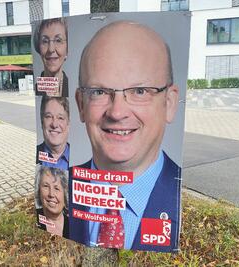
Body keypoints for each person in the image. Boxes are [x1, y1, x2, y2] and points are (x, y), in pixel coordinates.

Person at [70, 21, 181, 251]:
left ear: (169, 104)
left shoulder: (186, 203)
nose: (117, 112)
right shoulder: (59, 188)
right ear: (81, 104)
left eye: (139, 91)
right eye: (99, 92)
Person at [33, 18, 68, 97]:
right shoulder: (35, 91)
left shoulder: (75, 89)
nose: (51, 49)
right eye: (45, 41)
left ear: (67, 50)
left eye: (58, 40)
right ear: (38, 48)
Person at [36, 96, 70, 170]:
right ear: (42, 122)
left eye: (60, 118)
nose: (54, 124)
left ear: (68, 124)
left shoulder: (80, 158)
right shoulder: (34, 155)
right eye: (48, 116)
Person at [35, 166, 69, 238]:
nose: (51, 194)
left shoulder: (74, 226)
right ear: (39, 191)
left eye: (56, 188)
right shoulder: (34, 219)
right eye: (46, 186)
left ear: (64, 194)